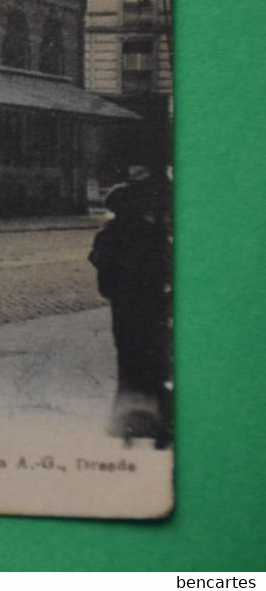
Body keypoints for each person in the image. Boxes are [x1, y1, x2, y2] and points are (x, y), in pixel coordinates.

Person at [88, 168, 173, 447]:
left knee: (128, 362)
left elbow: (100, 270)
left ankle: (125, 422)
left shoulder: (107, 235)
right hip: (151, 305)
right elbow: (167, 268)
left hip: (123, 307)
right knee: (155, 360)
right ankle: (160, 421)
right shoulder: (152, 233)